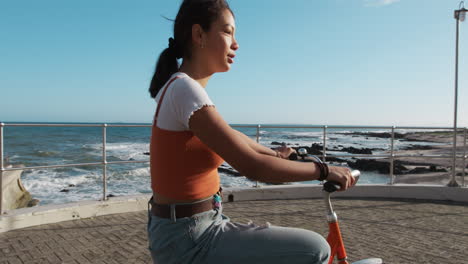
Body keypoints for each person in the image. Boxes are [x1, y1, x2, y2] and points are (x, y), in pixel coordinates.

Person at [147, 0, 356, 263]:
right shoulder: (184, 90)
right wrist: (324, 171)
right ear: (199, 35)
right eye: (227, 32)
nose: (236, 44)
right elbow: (252, 167)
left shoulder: (179, 88)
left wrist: (275, 154)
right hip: (191, 239)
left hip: (192, 227)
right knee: (315, 249)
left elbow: (233, 137)